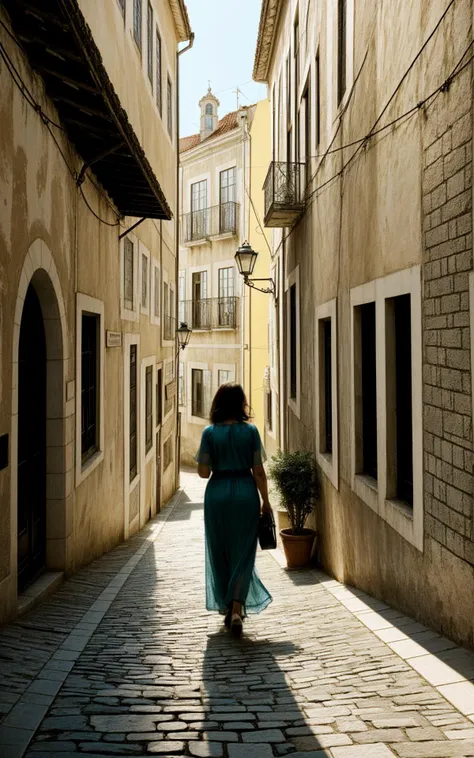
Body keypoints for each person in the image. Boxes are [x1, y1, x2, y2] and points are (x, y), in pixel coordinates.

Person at [195, 383, 273, 636]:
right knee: (243, 552)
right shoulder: (250, 432)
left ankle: (228, 605)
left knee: (220, 551)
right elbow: (259, 471)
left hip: (217, 494)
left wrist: (215, 457)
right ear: (241, 404)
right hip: (244, 493)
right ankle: (237, 608)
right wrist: (267, 502)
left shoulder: (209, 433)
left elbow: (203, 473)